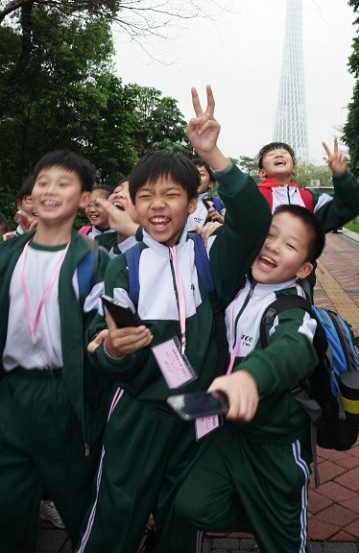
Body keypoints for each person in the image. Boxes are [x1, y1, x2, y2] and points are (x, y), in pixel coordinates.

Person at [75, 86, 271, 553]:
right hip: (139, 407)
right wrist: (113, 350)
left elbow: (253, 218)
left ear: (192, 201)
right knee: (117, 512)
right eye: (145, 196)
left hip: (198, 406)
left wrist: (212, 154)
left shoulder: (210, 256)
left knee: (182, 517)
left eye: (171, 194)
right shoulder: (121, 266)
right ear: (133, 205)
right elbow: (103, 347)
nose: (158, 205)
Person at [155, 204, 325, 553]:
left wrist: (250, 377)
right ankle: (262, 513)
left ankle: (274, 517)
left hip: (275, 444)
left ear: (304, 269)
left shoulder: (294, 311)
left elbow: (292, 350)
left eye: (290, 245)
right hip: (228, 434)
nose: (273, 246)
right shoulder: (235, 286)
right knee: (192, 506)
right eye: (269, 235)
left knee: (285, 546)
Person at [0, 150, 111, 553]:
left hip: (65, 396)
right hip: (11, 392)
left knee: (80, 504)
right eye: (43, 182)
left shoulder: (94, 261)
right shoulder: (7, 255)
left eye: (63, 184)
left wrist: (111, 348)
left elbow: (101, 332)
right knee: (9, 505)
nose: (49, 190)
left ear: (84, 199)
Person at [257, 138, 359, 232]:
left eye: (284, 153)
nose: (279, 155)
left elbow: (348, 207)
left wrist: (341, 176)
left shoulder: (310, 198)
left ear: (294, 169)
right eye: (271, 154)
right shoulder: (254, 196)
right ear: (262, 172)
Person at [186, 158, 225, 230]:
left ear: (210, 183)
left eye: (201, 174)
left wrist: (221, 221)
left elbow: (237, 229)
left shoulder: (216, 206)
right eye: (192, 173)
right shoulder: (175, 201)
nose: (196, 177)